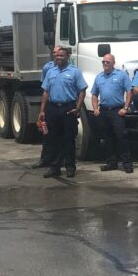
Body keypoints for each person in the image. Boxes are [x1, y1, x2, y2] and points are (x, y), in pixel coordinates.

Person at [37, 47, 87, 178]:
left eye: (62, 55)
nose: (58, 57)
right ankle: (55, 167)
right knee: (53, 139)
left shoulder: (75, 72)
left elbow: (82, 90)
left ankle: (70, 167)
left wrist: (78, 107)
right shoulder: (50, 71)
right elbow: (46, 92)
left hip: (68, 108)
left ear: (67, 57)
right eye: (57, 55)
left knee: (69, 139)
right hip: (53, 108)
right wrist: (42, 110)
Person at [92, 54, 133, 173]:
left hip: (117, 111)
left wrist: (125, 107)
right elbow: (94, 94)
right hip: (104, 111)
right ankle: (111, 163)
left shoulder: (121, 75)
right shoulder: (99, 77)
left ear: (113, 63)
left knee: (122, 137)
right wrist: (95, 108)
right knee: (107, 138)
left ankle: (127, 164)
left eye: (108, 62)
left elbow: (129, 91)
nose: (105, 64)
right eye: (103, 62)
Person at [34, 47, 62, 168]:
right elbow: (44, 88)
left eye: (58, 53)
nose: (56, 55)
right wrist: (43, 109)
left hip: (62, 105)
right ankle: (45, 159)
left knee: (61, 135)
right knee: (46, 134)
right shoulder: (48, 68)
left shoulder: (69, 68)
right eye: (54, 53)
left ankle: (61, 160)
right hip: (50, 104)